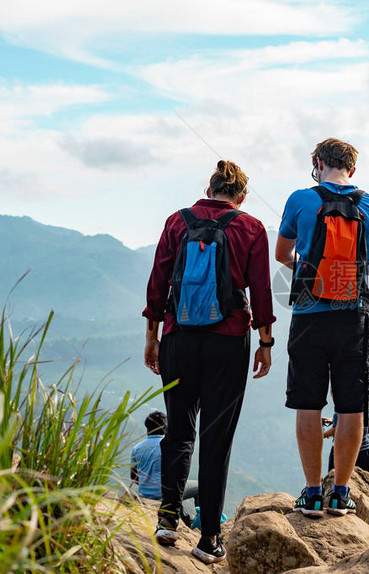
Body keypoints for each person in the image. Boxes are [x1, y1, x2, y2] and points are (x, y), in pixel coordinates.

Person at [143, 160, 276, 564]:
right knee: (216, 439)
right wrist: (265, 341)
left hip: (178, 337)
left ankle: (167, 520)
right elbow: (262, 289)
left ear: (210, 188)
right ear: (240, 196)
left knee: (178, 430)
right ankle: (209, 540)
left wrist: (152, 337)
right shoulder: (251, 227)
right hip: (228, 341)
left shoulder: (176, 222)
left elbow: (157, 282)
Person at [275, 138, 369, 518]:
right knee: (352, 406)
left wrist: (312, 273)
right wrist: (359, 270)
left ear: (318, 163)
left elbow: (282, 254)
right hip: (353, 319)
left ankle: (313, 494)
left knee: (307, 403)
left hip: (308, 318)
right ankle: (341, 494)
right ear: (353, 169)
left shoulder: (300, 199)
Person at [130, 411, 198, 526]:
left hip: (145, 493)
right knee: (200, 486)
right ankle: (199, 522)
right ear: (166, 427)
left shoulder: (136, 448)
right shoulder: (169, 446)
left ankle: (185, 518)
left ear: (147, 427)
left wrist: (149, 485)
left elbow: (134, 477)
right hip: (167, 493)